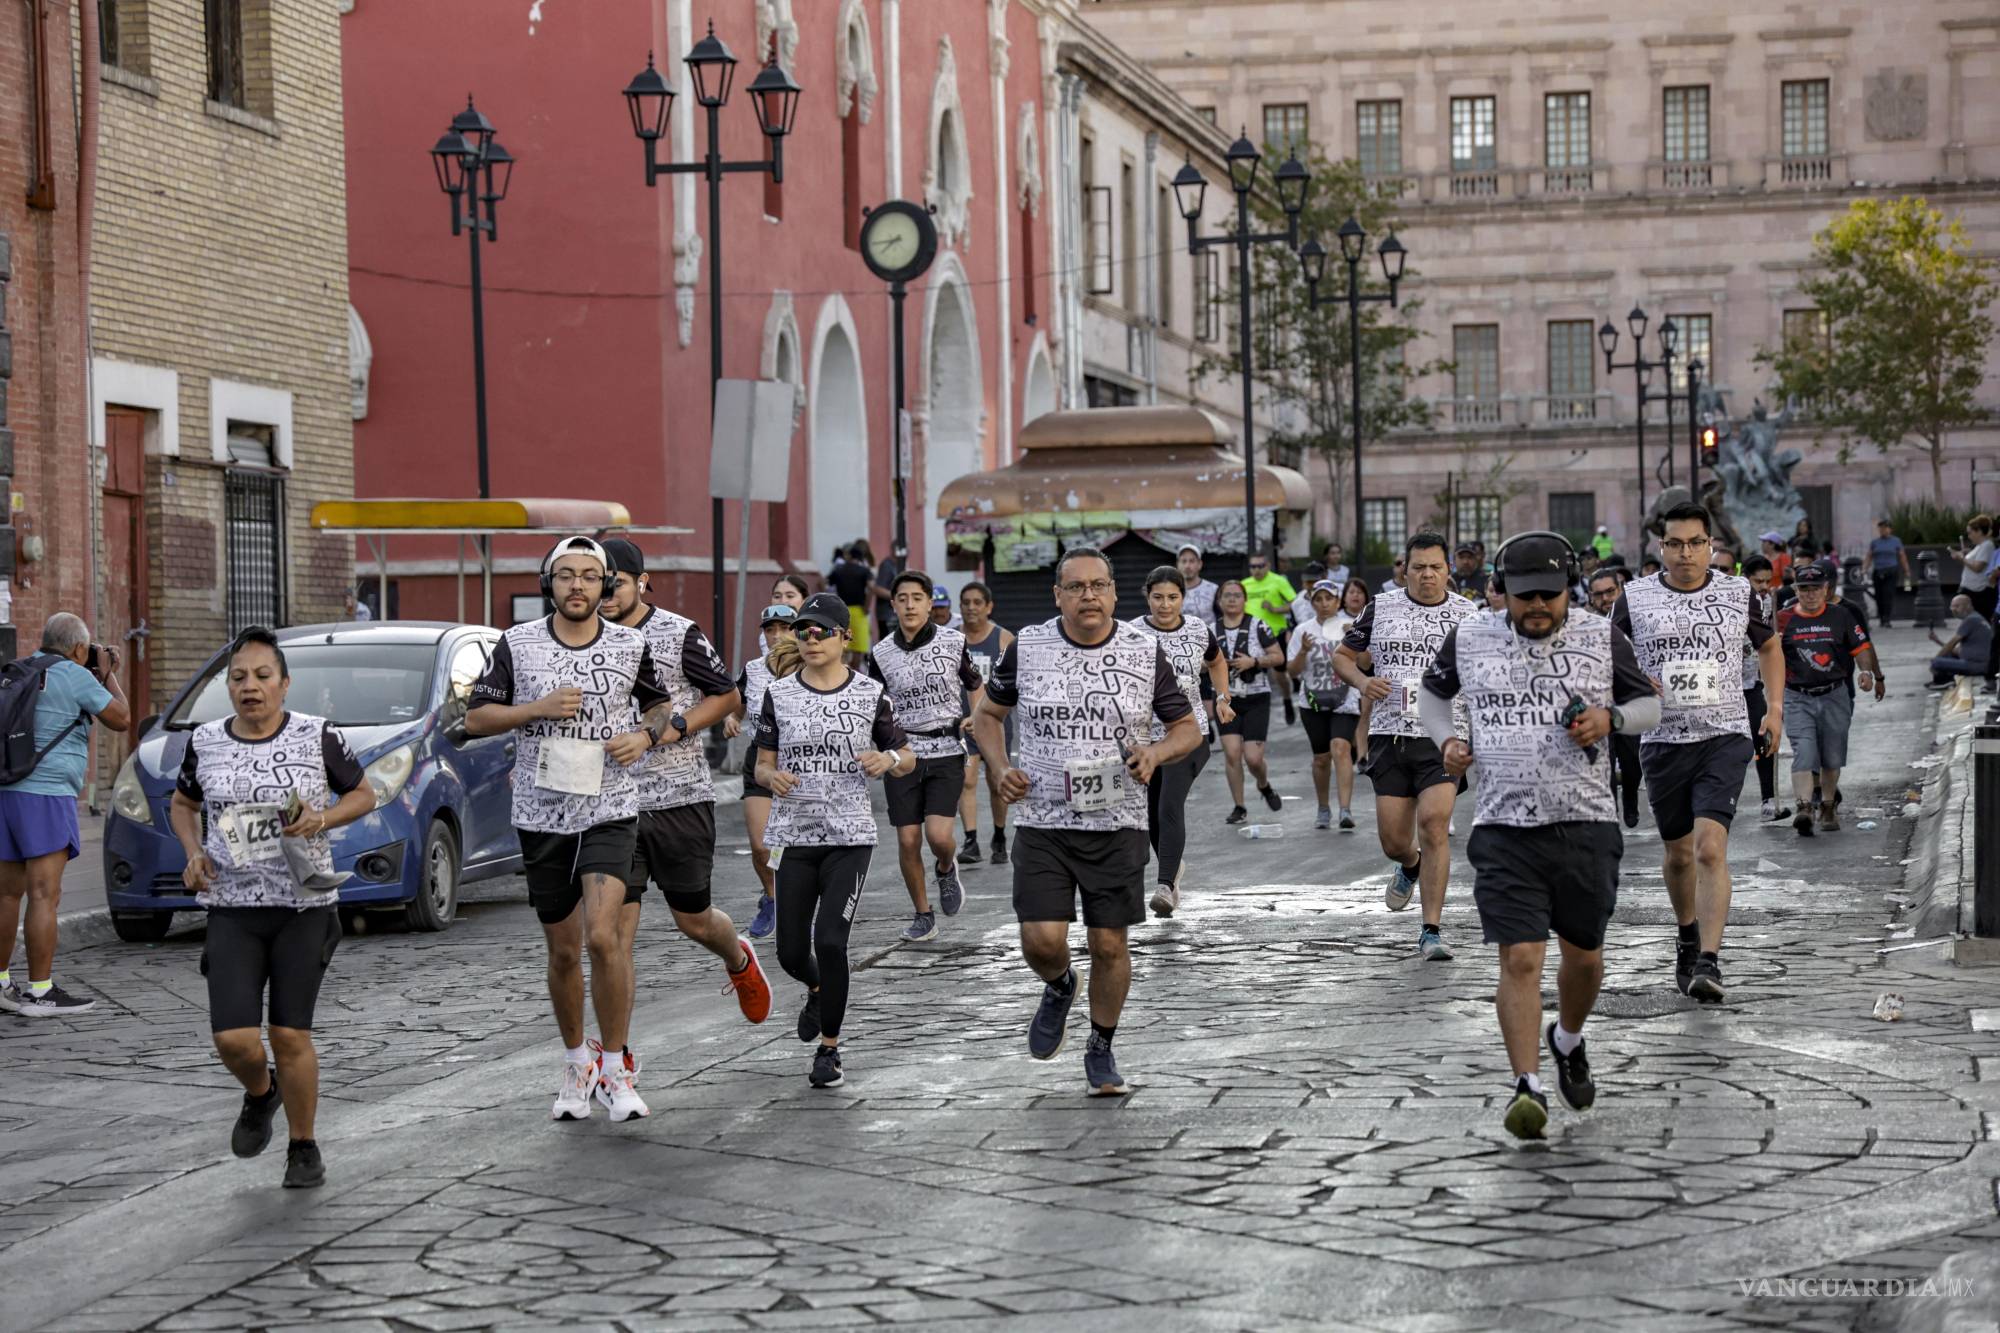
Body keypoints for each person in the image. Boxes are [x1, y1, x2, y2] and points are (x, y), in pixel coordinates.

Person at [1419, 533, 1659, 1138]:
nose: (1537, 608)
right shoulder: (1470, 635)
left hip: (1585, 823)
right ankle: (1526, 1086)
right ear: (1501, 591)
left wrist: (1610, 719)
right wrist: (1446, 740)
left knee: (1585, 958)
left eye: (1549, 596)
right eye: (1524, 597)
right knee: (1521, 957)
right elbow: (1432, 693)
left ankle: (1568, 1038)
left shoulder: (1601, 636)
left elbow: (1649, 706)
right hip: (1503, 827)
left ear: (1569, 589)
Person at [970, 547, 1201, 1095]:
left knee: (1109, 945)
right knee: (1041, 941)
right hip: (1043, 817)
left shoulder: (1144, 651)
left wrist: (1156, 754)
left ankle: (1101, 1045)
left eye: (1098, 585)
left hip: (1117, 820)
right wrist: (1000, 767)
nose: (1089, 596)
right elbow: (986, 715)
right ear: (1059, 595)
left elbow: (1188, 727)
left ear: (1115, 593)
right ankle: (1058, 985)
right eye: (1076, 587)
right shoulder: (1028, 647)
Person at [467, 536, 676, 1123]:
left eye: (590, 576)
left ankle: (615, 1067)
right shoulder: (518, 644)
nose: (578, 586)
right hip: (541, 812)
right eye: (566, 576)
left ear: (606, 585)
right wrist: (534, 709)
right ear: (548, 583)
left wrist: (647, 735)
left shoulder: (630, 644)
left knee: (604, 939)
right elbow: (477, 717)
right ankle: (575, 1059)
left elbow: (658, 706)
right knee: (563, 950)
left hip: (610, 804)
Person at [168, 627, 377, 1188]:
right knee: (234, 1039)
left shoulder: (316, 736)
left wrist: (321, 819)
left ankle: (303, 1146)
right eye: (238, 678)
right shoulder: (205, 740)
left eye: (262, 677)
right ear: (227, 687)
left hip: (303, 905)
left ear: (284, 684)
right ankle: (263, 1094)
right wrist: (192, 852)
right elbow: (183, 804)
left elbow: (364, 793)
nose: (250, 687)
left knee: (288, 1034)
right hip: (232, 905)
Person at [598, 538, 771, 1047]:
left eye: (617, 585)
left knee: (693, 921)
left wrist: (675, 725)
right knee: (611, 939)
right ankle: (617, 1055)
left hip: (679, 801)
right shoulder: (584, 643)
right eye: (599, 584)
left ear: (641, 582)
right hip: (612, 806)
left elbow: (727, 697)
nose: (606, 595)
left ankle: (737, 957)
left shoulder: (678, 634)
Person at [1611, 503, 1781, 1004]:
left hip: (1725, 735)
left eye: (1696, 543)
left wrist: (1773, 710)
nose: (1686, 553)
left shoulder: (1737, 593)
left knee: (1710, 848)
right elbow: (1606, 648)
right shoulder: (1634, 597)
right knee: (1679, 854)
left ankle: (1709, 958)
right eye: (1675, 544)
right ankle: (1686, 934)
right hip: (1663, 741)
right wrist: (1634, 682)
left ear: (1712, 546)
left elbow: (1769, 646)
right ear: (1660, 548)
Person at [756, 593, 915, 1087]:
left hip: (849, 837)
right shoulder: (778, 694)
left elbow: (907, 755)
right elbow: (762, 762)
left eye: (821, 631)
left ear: (845, 637)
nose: (810, 639)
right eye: (802, 631)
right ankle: (818, 987)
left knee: (829, 938)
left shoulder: (870, 695)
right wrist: (770, 778)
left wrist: (886, 762)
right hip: (793, 836)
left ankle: (829, 1049)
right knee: (787, 952)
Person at [1334, 532, 1474, 962]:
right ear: (1405, 569)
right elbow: (1342, 656)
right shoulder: (1381, 606)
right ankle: (1409, 865)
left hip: (1444, 737)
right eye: (1418, 567)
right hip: (1390, 735)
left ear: (1447, 569)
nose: (1427, 574)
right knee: (1395, 841)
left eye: (1435, 567)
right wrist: (1363, 681)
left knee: (1435, 824)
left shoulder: (1469, 614)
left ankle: (1431, 929)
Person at [0, 613, 131, 1016]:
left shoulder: (19, 671)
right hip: (47, 796)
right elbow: (122, 719)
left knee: (6, 894)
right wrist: (106, 674)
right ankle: (40, 992)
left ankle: (1, 982)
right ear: (78, 648)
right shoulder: (75, 677)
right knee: (44, 895)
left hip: (7, 793)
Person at [865, 569, 985, 942]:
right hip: (901, 753)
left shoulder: (953, 642)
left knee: (938, 836)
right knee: (907, 839)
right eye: (903, 598)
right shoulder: (881, 653)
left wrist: (975, 717)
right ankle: (922, 914)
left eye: (917, 598)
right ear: (894, 605)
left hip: (947, 749)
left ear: (930, 603)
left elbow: (975, 684)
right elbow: (874, 705)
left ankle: (946, 868)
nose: (910, 605)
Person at [1131, 566, 1232, 916]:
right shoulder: (1130, 633)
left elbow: (1217, 661)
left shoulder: (1198, 630)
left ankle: (1164, 886)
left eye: (1172, 597)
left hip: (1190, 733)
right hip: (1145, 740)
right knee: (1151, 814)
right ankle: (1173, 872)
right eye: (1157, 597)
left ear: (1183, 598)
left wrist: (1222, 697)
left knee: (1169, 805)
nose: (1165, 604)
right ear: (1147, 597)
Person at [1777, 564, 1884, 834]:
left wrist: (1867, 673)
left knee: (1831, 756)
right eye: (1804, 589)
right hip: (1797, 695)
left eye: (1816, 588)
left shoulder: (1842, 616)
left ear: (1826, 589)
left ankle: (1827, 805)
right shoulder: (1782, 619)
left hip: (1835, 693)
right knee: (1804, 751)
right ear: (1795, 590)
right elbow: (1769, 656)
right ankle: (1804, 807)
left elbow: (1861, 648)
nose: (1810, 594)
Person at [725, 605, 801, 939]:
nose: (776, 636)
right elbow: (736, 700)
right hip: (760, 758)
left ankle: (801, 905)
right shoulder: (753, 669)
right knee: (760, 846)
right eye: (770, 629)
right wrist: (732, 718)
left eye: (784, 628)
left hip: (799, 760)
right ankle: (771, 898)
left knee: (799, 845)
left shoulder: (807, 665)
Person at [1288, 578, 1367, 831]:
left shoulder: (1350, 624)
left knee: (1340, 747)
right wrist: (1302, 651)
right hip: (1312, 700)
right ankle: (1324, 808)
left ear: (1338, 601)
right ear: (1312, 603)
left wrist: (1353, 638)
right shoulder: (1303, 630)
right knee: (1321, 759)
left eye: (1329, 599)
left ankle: (1345, 809)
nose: (1324, 604)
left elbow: (1366, 663)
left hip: (1346, 698)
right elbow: (1292, 672)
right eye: (1318, 599)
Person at [1213, 579, 1285, 823]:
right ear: (1219, 600)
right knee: (1232, 754)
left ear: (1245, 599)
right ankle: (1239, 806)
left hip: (1256, 696)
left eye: (1237, 595)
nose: (1232, 599)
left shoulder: (1258, 625)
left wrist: (1253, 661)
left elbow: (1277, 656)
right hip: (1226, 698)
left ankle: (1263, 784)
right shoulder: (1211, 630)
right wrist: (1215, 664)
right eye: (1227, 595)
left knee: (1253, 758)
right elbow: (1200, 665)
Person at [957, 581, 1013, 868]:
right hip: (962, 723)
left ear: (989, 606)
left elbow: (1019, 683)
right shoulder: (952, 640)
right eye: (966, 602)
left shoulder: (1004, 639)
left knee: (995, 781)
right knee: (966, 780)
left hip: (995, 722)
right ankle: (970, 840)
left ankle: (1000, 837)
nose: (971, 608)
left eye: (978, 602)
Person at [1741, 557, 1790, 823]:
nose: (1763, 586)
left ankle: (1768, 800)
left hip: (1752, 684)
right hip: (1725, 687)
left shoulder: (1769, 601)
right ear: (1744, 577)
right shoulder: (1733, 598)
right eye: (1757, 581)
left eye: (1767, 581)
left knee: (1764, 739)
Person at [1242, 549, 1299, 726]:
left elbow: (1295, 603)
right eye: (1253, 566)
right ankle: (1253, 713)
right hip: (1252, 636)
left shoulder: (1278, 581)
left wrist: (1275, 609)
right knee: (1252, 674)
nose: (1256, 570)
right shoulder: (1244, 584)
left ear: (1267, 565)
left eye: (1260, 566)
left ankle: (1287, 699)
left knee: (1279, 675)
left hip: (1275, 634)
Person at [1930, 595, 1994, 688]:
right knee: (1948, 655)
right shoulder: (1976, 618)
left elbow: (1951, 644)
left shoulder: (1971, 620)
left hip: (1978, 666)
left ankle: (1943, 682)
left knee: (1937, 662)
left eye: (1957, 606)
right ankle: (1944, 680)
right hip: (1981, 664)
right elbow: (1957, 650)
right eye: (1952, 606)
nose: (1953, 609)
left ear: (1968, 606)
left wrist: (1934, 662)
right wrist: (1937, 641)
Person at [827, 543, 874, 655]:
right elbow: (871, 588)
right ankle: (855, 670)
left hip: (841, 611)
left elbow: (825, 584)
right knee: (859, 648)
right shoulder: (864, 571)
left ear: (849, 556)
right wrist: (867, 607)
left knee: (843, 645)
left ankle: (843, 670)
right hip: (859, 611)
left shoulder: (838, 570)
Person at [1869, 519, 1912, 628]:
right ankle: (1882, 617)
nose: (1883, 530)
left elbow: (1902, 556)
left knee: (1888, 594)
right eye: (1881, 528)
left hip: (1891, 571)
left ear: (1890, 529)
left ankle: (1887, 619)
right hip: (1878, 571)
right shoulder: (1875, 543)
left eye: (1885, 528)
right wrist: (1864, 569)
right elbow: (1869, 556)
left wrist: (1906, 570)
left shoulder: (1896, 541)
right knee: (1879, 596)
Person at [870, 540, 907, 648]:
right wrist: (897, 596)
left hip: (894, 613)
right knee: (888, 645)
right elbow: (877, 588)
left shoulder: (898, 565)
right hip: (887, 614)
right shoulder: (887, 565)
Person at [1176, 543, 1218, 625]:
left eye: (1192, 561)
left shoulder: (1213, 589)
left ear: (1200, 564)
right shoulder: (1170, 590)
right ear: (1178, 564)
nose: (1187, 566)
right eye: (1183, 561)